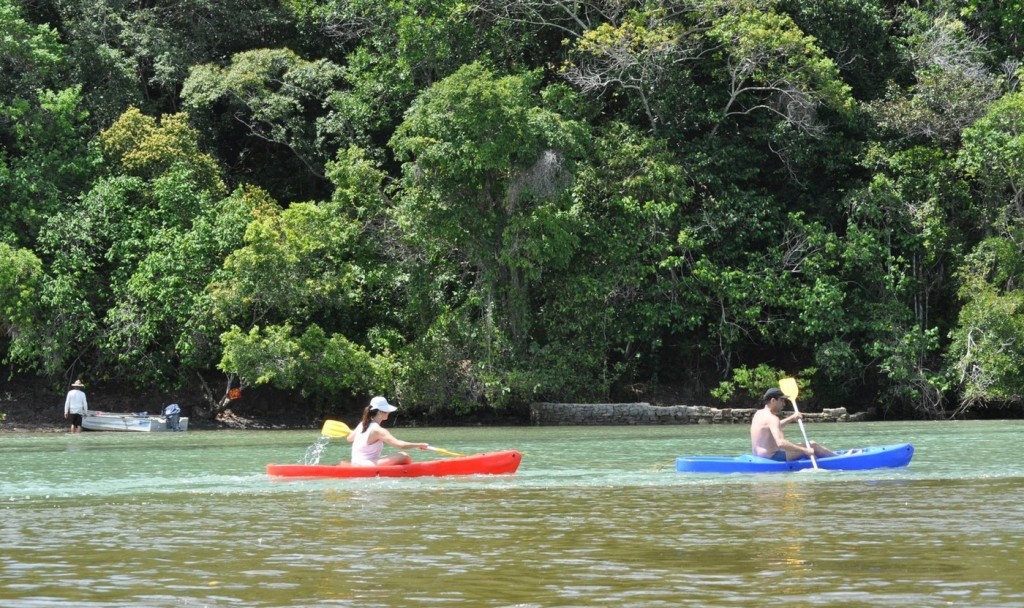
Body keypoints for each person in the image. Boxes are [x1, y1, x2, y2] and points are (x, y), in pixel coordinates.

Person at [751, 387, 840, 461]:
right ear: (773, 400)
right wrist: (804, 450)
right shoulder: (773, 418)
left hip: (759, 456)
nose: (784, 404)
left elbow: (772, 428)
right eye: (782, 400)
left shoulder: (758, 414)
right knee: (812, 444)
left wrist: (792, 418)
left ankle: (824, 458)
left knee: (803, 447)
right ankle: (838, 459)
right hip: (773, 458)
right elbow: (781, 443)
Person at [346, 396, 428, 466]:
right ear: (379, 412)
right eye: (386, 411)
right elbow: (400, 445)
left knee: (389, 456)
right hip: (366, 465)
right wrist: (419, 444)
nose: (388, 412)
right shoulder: (378, 430)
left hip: (356, 462)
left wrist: (359, 433)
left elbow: (349, 438)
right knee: (404, 456)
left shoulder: (362, 424)